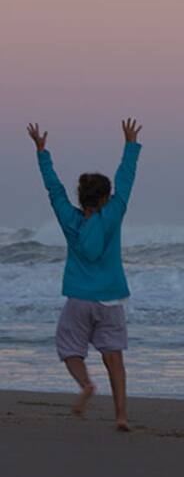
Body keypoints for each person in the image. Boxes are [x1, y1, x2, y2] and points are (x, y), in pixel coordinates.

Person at [27, 119, 143, 432]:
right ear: (105, 198)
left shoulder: (70, 220)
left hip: (79, 298)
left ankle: (86, 385)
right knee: (114, 359)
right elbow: (126, 180)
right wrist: (130, 145)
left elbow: (54, 190)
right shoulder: (113, 215)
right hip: (110, 299)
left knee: (69, 350)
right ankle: (121, 416)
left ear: (82, 198)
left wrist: (42, 153)